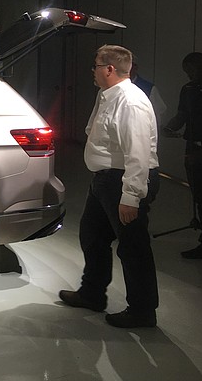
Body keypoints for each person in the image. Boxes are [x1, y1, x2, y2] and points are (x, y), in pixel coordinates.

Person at [59, 45, 160, 329]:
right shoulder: (107, 96)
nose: (92, 71)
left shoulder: (130, 101)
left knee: (133, 247)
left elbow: (138, 152)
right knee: (92, 236)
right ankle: (92, 293)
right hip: (105, 180)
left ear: (109, 69)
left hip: (122, 181)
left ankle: (142, 310)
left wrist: (131, 196)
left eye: (95, 66)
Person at [162, 52, 202, 259]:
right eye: (186, 72)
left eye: (192, 70)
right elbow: (182, 114)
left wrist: (201, 154)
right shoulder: (188, 89)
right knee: (200, 196)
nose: (189, 75)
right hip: (192, 147)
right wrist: (168, 127)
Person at [130, 57, 167, 122]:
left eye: (130, 65)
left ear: (135, 67)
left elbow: (159, 113)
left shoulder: (148, 88)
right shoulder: (113, 86)